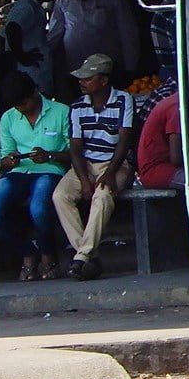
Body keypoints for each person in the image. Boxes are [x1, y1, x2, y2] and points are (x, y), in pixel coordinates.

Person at [53, 53, 136, 280]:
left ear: (103, 80)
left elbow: (124, 140)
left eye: (88, 78)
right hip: (86, 164)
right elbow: (76, 149)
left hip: (114, 163)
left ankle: (81, 258)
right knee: (60, 196)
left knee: (102, 196)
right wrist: (83, 180)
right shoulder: (78, 107)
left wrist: (109, 173)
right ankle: (89, 255)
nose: (82, 82)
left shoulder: (123, 100)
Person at [0, 71, 71, 281]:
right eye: (17, 106)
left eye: (24, 103)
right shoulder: (9, 117)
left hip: (51, 171)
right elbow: (5, 157)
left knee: (39, 208)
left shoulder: (61, 112)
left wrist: (49, 155)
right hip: (19, 172)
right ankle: (28, 251)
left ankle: (48, 254)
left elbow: (74, 153)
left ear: (35, 93)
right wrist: (9, 160)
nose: (21, 109)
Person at [47, 0, 140, 98]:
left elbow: (128, 32)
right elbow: (54, 36)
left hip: (109, 72)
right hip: (76, 72)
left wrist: (130, 66)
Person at [3, 0, 52, 96]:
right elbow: (12, 28)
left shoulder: (33, 6)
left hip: (36, 76)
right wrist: (22, 56)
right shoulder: (27, 7)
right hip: (30, 78)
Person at [136, 91, 183, 188]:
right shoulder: (176, 106)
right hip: (157, 171)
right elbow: (176, 158)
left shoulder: (176, 102)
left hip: (167, 167)